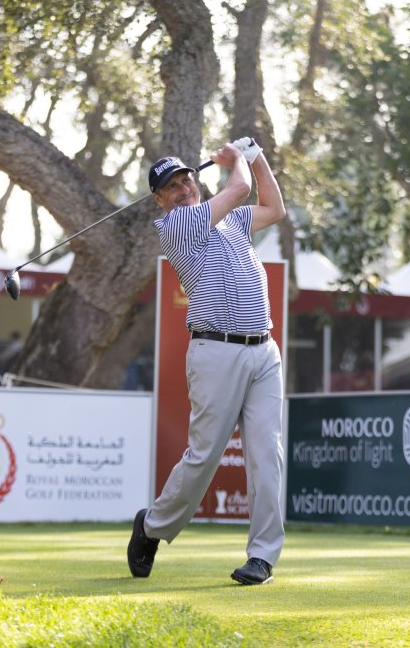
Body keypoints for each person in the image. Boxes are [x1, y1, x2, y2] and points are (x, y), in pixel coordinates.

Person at [127, 137, 286, 585]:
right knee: (204, 457)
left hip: (264, 351)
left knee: (266, 454)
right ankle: (152, 526)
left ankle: (262, 556)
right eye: (172, 187)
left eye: (186, 180)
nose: (183, 189)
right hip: (215, 351)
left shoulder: (233, 222)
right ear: (159, 200)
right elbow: (237, 190)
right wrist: (236, 162)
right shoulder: (175, 227)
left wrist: (257, 158)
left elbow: (274, 209)